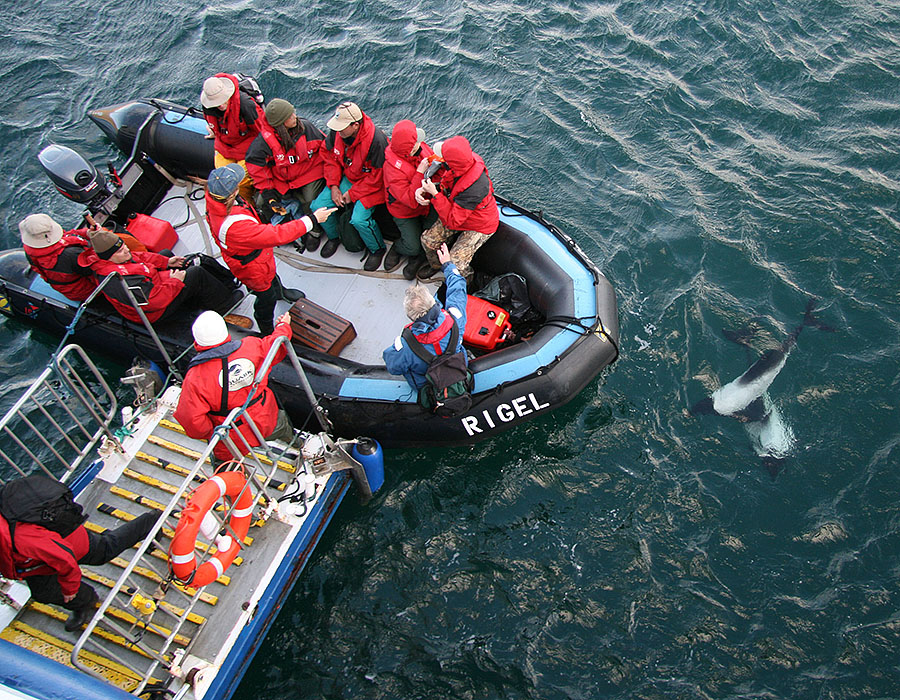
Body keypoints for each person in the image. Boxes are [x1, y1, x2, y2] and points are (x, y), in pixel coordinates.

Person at [205, 163, 335, 335]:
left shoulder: (216, 202)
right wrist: (312, 219)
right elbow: (277, 234)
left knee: (272, 276)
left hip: (259, 257)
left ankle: (281, 292)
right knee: (265, 297)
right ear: (231, 193)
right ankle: (266, 327)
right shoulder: (234, 227)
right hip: (251, 266)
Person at [1, 506, 158, 631]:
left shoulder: (21, 539)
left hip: (67, 542)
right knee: (44, 592)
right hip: (33, 565)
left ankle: (150, 523)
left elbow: (64, 557)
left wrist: (70, 589)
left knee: (104, 550)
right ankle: (84, 601)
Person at [174, 310, 295, 464]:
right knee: (283, 428)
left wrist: (212, 431)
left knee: (225, 462)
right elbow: (276, 345)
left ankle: (228, 482)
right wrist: (283, 325)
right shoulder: (251, 346)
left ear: (197, 340)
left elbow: (192, 421)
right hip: (266, 416)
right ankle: (298, 445)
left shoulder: (195, 378)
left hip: (232, 434)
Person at [78, 228, 239, 324]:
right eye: (120, 251)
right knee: (196, 274)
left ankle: (225, 284)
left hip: (152, 284)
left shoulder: (117, 258)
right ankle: (226, 306)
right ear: (109, 256)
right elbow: (152, 302)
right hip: (154, 312)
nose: (126, 250)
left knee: (178, 258)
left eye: (124, 246)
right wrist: (175, 282)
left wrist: (167, 262)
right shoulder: (118, 280)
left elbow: (140, 257)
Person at [310, 101, 389, 269]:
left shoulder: (377, 142)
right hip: (348, 178)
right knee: (318, 206)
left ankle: (377, 250)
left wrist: (352, 194)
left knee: (359, 220)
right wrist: (333, 186)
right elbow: (329, 157)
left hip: (372, 185)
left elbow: (378, 177)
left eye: (342, 127)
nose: (338, 130)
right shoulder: (337, 133)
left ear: (355, 125)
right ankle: (334, 237)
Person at [244, 98, 327, 250]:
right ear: (280, 123)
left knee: (310, 200)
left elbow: (324, 148)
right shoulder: (263, 143)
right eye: (289, 116)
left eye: (293, 113)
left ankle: (314, 231)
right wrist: (268, 191)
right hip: (282, 178)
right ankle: (282, 228)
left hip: (309, 172)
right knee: (263, 202)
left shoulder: (306, 128)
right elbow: (257, 168)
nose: (294, 117)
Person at [383, 243, 467, 390]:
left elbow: (393, 367)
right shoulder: (455, 319)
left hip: (427, 385)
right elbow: (458, 289)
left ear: (410, 316)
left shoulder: (405, 346)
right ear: (433, 303)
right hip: (457, 370)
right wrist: (447, 264)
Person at [414, 135, 499, 281]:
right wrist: (429, 189)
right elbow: (449, 189)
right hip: (458, 212)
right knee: (428, 240)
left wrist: (434, 194)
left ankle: (466, 283)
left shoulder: (476, 187)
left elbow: (453, 221)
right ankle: (436, 267)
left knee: (456, 263)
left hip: (479, 224)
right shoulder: (461, 166)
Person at [382, 120, 438, 280]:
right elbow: (410, 200)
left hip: (426, 205)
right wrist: (420, 172)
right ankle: (399, 248)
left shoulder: (420, 149)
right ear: (407, 150)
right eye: (414, 143)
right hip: (404, 210)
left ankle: (421, 255)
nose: (419, 144)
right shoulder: (391, 169)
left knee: (430, 233)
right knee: (412, 246)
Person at [200, 73, 265, 202]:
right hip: (225, 147)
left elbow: (262, 130)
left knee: (237, 182)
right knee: (222, 180)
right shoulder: (209, 109)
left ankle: (250, 205)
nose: (220, 105)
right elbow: (214, 125)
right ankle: (244, 204)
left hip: (248, 149)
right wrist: (214, 132)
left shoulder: (246, 105)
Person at [19, 213, 97, 302]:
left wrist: (86, 233)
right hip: (87, 291)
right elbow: (93, 270)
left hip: (67, 289)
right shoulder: (70, 254)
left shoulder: (30, 250)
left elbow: (67, 236)